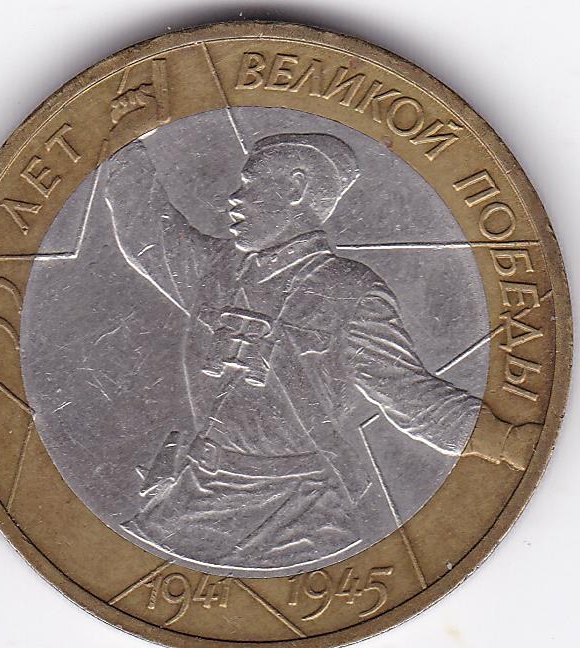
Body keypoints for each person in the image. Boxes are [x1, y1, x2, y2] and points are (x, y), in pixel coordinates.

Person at [104, 133, 536, 569]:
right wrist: (125, 135)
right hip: (192, 493)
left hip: (291, 513)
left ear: (296, 188)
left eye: (251, 184)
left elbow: (411, 396)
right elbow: (147, 230)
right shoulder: (218, 268)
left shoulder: (350, 292)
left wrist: (507, 442)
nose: (234, 198)